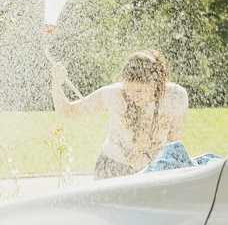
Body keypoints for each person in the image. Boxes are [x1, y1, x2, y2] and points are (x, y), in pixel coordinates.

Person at [49, 49, 189, 179]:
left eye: (139, 91)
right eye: (129, 90)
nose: (133, 96)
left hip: (154, 170)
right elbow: (67, 111)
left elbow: (174, 143)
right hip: (112, 168)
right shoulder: (113, 95)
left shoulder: (176, 97)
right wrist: (56, 83)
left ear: (155, 84)